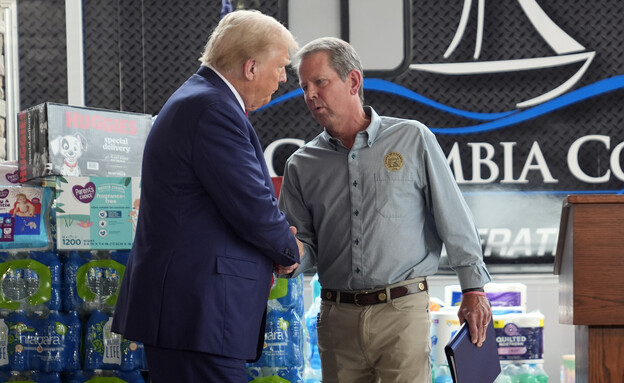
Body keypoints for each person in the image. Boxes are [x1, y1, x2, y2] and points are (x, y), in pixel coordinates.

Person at [277, 37, 493, 383]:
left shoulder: (412, 138)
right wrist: (289, 257)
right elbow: (305, 247)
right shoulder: (301, 165)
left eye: (320, 82)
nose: (311, 95)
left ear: (353, 81)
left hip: (402, 314)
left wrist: (474, 290)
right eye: (304, 87)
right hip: (336, 320)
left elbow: (454, 219)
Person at [112, 10, 302, 383]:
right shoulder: (213, 110)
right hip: (198, 315)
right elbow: (251, 206)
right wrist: (289, 251)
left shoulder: (200, 100)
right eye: (280, 67)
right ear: (250, 67)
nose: (283, 78)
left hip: (193, 316)